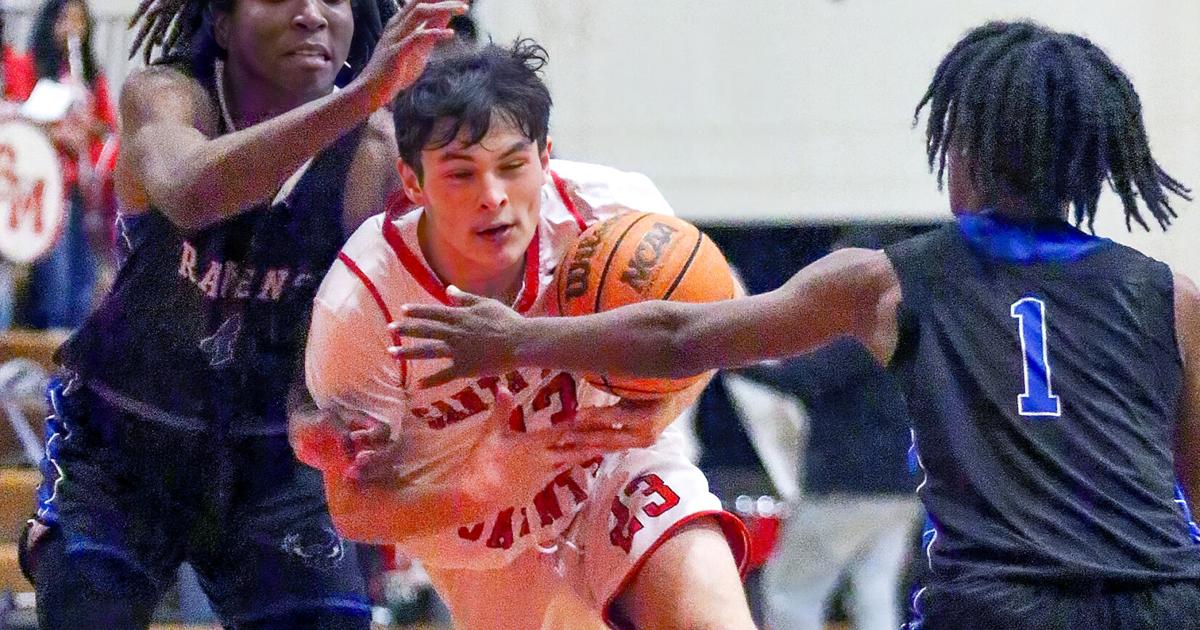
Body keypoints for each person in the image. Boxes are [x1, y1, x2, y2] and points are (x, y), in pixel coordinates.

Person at [392, 20, 1200, 629]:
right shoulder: (1170, 295)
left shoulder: (889, 278)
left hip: (1000, 604)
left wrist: (514, 338)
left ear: (965, 150)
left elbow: (681, 337)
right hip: (1165, 599)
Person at [19, 0, 468, 627]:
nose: (312, 14)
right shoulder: (169, 96)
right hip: (124, 444)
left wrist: (322, 413)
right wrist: (361, 94)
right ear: (222, 23)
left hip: (269, 464)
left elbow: (337, 321)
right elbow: (191, 192)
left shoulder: (370, 150)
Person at [296, 40, 756, 630]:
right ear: (412, 183)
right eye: (461, 174)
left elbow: (723, 324)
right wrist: (480, 484)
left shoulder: (616, 214)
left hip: (616, 471)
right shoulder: (360, 305)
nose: (493, 196)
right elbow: (354, 509)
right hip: (480, 541)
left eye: (513, 165)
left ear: (545, 156)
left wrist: (663, 406)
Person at [22, 0, 116, 329]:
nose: (73, 27)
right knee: (56, 281)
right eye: (65, 19)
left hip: (83, 187)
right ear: (51, 23)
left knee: (84, 278)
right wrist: (58, 125)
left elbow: (107, 126)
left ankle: (73, 353)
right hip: (46, 185)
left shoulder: (90, 75)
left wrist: (86, 122)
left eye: (80, 20)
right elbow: (23, 119)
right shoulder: (29, 66)